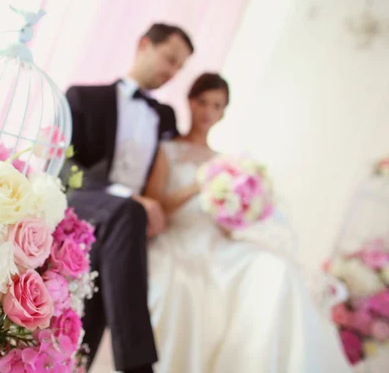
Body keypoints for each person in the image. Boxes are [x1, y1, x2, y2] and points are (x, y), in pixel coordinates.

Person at [144, 73, 353, 372]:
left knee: (275, 269)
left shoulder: (227, 161)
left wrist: (239, 208)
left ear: (223, 112)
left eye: (216, 106)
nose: (207, 112)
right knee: (187, 289)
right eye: (202, 102)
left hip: (216, 240)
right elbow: (156, 205)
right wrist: (198, 185)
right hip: (177, 238)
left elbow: (225, 224)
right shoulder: (168, 150)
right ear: (190, 102)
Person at [63, 23, 194, 373]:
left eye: (180, 67)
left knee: (115, 253)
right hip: (84, 203)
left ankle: (76, 365)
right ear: (144, 45)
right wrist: (131, 199)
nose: (172, 72)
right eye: (170, 59)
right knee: (129, 214)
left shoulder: (164, 117)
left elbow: (176, 167)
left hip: (123, 227)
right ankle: (138, 367)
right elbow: (65, 170)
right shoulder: (83, 97)